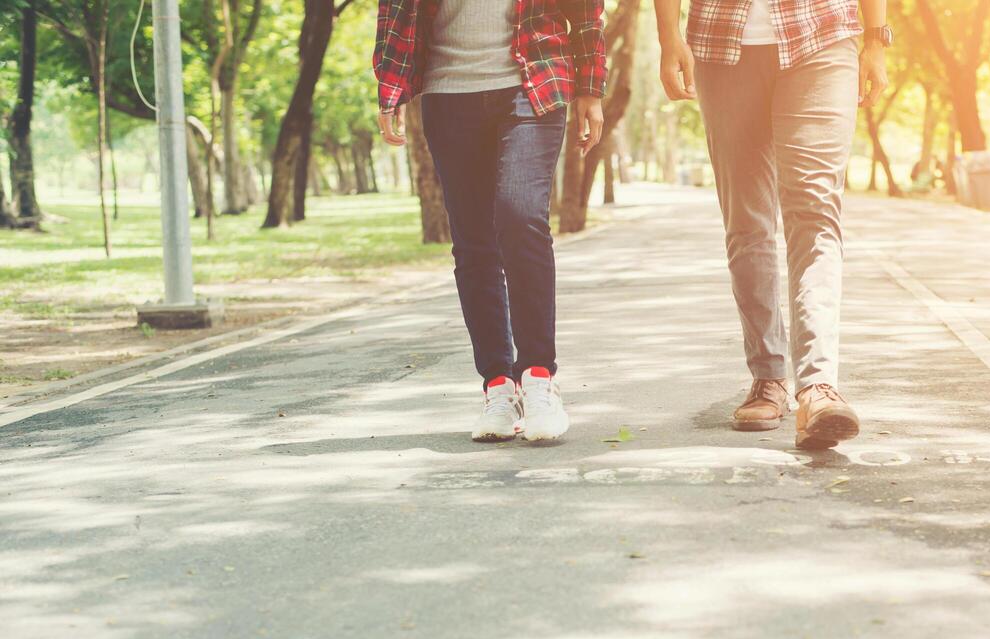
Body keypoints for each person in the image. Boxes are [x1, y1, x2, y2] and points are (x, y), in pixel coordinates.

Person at [655, 0, 889, 449]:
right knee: (746, 220)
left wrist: (876, 41)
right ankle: (768, 377)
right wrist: (669, 37)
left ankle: (818, 385)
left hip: (820, 33)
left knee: (815, 210)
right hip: (723, 43)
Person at [374, 0, 606, 441]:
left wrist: (590, 91)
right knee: (473, 241)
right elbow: (395, 11)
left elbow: (587, 11)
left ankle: (539, 378)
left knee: (521, 217)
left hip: (533, 80)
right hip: (448, 92)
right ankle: (498, 386)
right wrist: (391, 88)